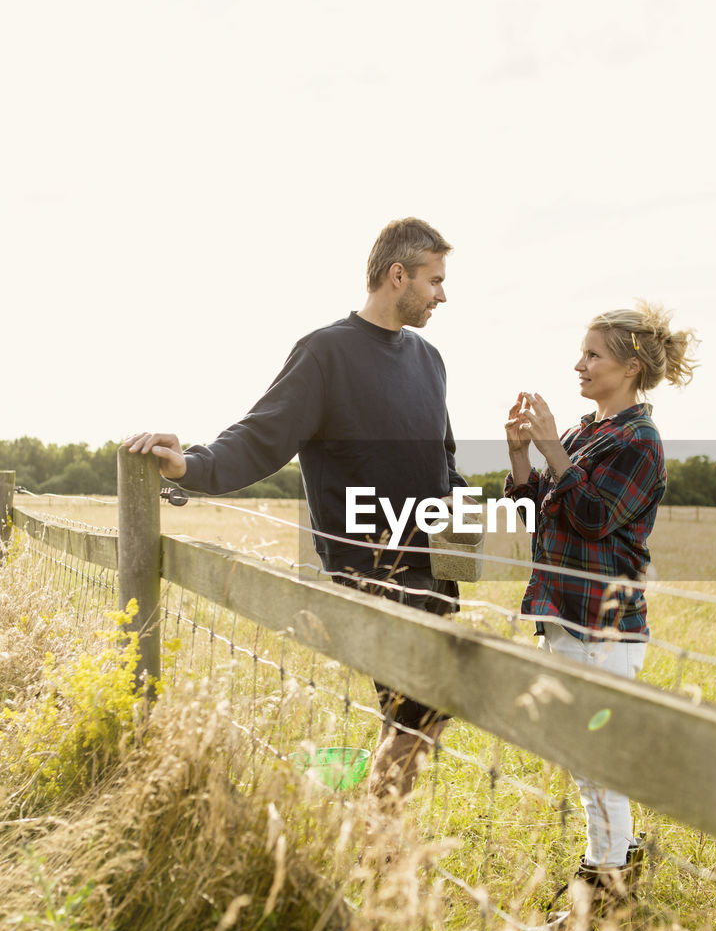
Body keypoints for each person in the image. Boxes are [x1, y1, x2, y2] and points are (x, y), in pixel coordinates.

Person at [126, 217, 467, 802]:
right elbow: (261, 438)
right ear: (397, 275)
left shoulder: (431, 360)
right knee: (414, 722)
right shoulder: (325, 353)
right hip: (370, 572)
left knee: (421, 724)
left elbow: (444, 460)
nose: (443, 294)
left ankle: (372, 839)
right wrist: (192, 465)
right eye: (434, 280)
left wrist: (470, 524)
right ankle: (375, 847)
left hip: (432, 568)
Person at [504, 301, 698, 924]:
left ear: (630, 367)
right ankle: (621, 864)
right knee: (588, 761)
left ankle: (603, 895)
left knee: (597, 765)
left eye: (593, 355)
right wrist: (520, 456)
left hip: (604, 628)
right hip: (564, 615)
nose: (579, 365)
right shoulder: (585, 433)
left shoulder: (639, 440)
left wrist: (551, 452)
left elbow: (591, 517)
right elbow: (535, 513)